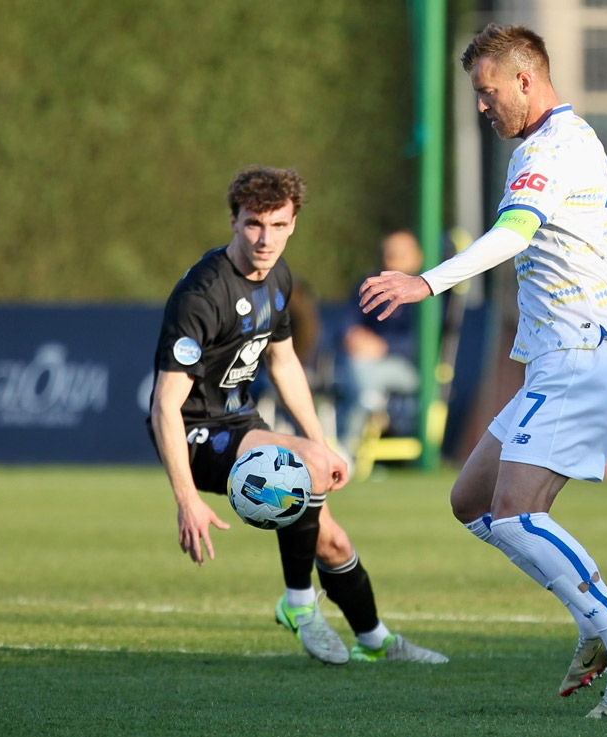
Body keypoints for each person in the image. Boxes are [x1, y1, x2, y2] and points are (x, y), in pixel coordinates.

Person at [359, 24, 607, 719]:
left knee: (517, 514)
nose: (482, 105)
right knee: (471, 500)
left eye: (487, 90)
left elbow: (512, 234)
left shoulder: (550, 148)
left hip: (579, 355)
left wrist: (425, 282)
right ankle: (597, 625)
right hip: (565, 358)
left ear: (525, 80)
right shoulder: (568, 139)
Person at [148, 166, 447, 666]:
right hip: (194, 432)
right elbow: (164, 405)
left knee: (333, 540)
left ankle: (375, 641)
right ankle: (299, 603)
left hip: (240, 422)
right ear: (233, 221)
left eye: (278, 225)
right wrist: (186, 500)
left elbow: (284, 363)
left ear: (293, 224)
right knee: (307, 467)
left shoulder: (279, 277)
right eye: (253, 224)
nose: (265, 239)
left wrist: (320, 442)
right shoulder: (203, 294)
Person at [337, 230, 423, 455]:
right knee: (359, 370)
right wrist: (354, 337)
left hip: (407, 368)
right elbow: (349, 324)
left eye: (400, 256)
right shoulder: (369, 285)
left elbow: (422, 341)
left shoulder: (427, 293)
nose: (392, 261)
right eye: (388, 255)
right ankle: (368, 398)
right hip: (363, 361)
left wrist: (383, 346)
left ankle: (346, 448)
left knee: (361, 375)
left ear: (417, 258)